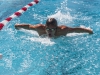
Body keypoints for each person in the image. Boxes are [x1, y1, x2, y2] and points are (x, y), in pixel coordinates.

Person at [15, 18, 93, 37]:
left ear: (56, 28)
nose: (50, 31)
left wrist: (88, 31)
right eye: (48, 29)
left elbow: (75, 30)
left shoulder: (62, 30)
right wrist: (18, 26)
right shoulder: (39, 28)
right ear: (45, 27)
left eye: (52, 29)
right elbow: (29, 26)